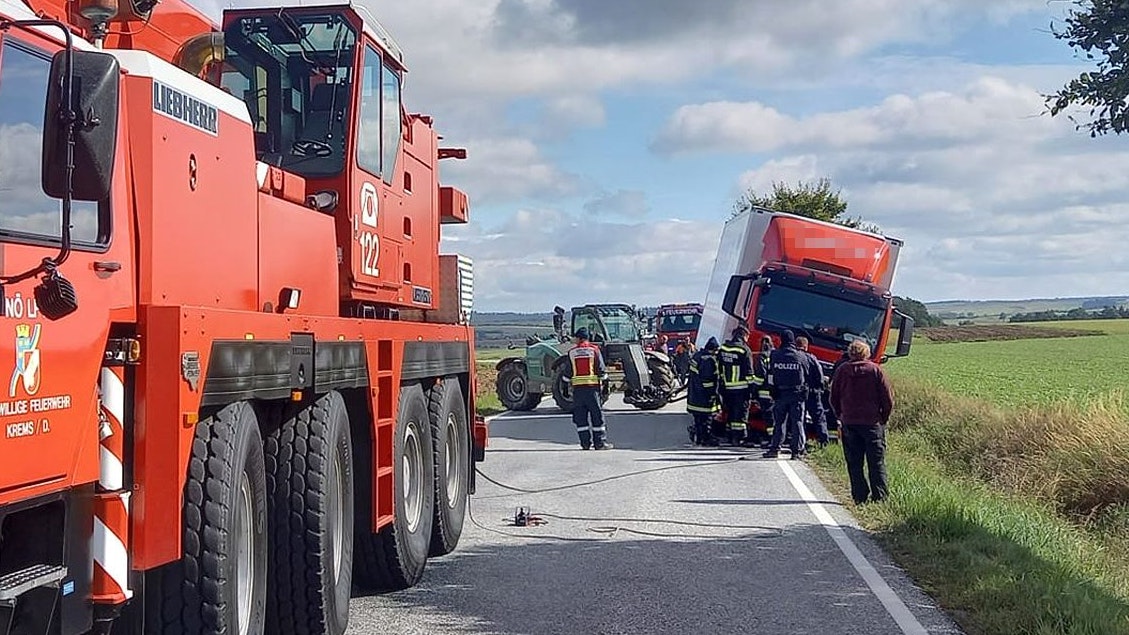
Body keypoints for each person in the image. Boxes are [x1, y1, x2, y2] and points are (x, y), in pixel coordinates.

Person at [830, 340, 893, 504]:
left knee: (854, 463)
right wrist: (883, 419)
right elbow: (887, 399)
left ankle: (859, 496)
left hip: (849, 422)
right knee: (876, 462)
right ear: (867, 353)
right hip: (872, 423)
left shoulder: (842, 371)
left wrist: (841, 415)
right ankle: (880, 497)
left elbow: (833, 397)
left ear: (850, 353)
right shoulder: (875, 370)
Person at [763, 330, 812, 459]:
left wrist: (771, 389)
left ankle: (774, 449)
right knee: (797, 423)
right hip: (797, 394)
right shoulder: (801, 356)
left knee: (779, 422)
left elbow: (770, 374)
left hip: (780, 393)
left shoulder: (775, 355)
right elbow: (807, 374)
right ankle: (796, 452)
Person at [563, 328, 612, 450]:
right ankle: (599, 443)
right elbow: (601, 370)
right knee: (597, 416)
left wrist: (565, 387)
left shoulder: (572, 352)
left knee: (580, 417)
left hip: (578, 391)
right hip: (592, 390)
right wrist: (605, 385)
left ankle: (585, 443)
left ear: (579, 338)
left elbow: (567, 373)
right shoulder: (594, 350)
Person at [717, 325, 754, 445]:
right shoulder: (744, 350)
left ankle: (729, 435)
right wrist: (752, 389)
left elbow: (718, 367)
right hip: (741, 388)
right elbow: (749, 372)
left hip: (726, 387)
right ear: (744, 335)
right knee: (740, 415)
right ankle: (739, 438)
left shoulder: (723, 348)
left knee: (730, 412)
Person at [795, 336, 830, 447]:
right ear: (806, 346)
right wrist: (820, 387)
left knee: (800, 417)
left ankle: (801, 442)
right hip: (813, 392)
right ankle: (823, 441)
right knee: (818, 417)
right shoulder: (811, 358)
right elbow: (819, 376)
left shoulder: (794, 357)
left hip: (798, 392)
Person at [685, 337, 721, 446]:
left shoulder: (697, 356)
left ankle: (699, 438)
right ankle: (705, 439)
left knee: (698, 419)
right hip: (704, 397)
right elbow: (708, 380)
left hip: (694, 395)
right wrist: (712, 394)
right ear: (714, 349)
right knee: (706, 419)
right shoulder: (708, 360)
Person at [748, 335, 775, 447]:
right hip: (776, 392)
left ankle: (771, 439)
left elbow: (760, 377)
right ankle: (774, 439)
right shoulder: (776, 355)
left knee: (768, 417)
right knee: (775, 416)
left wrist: (754, 391)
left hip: (764, 392)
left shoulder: (762, 357)